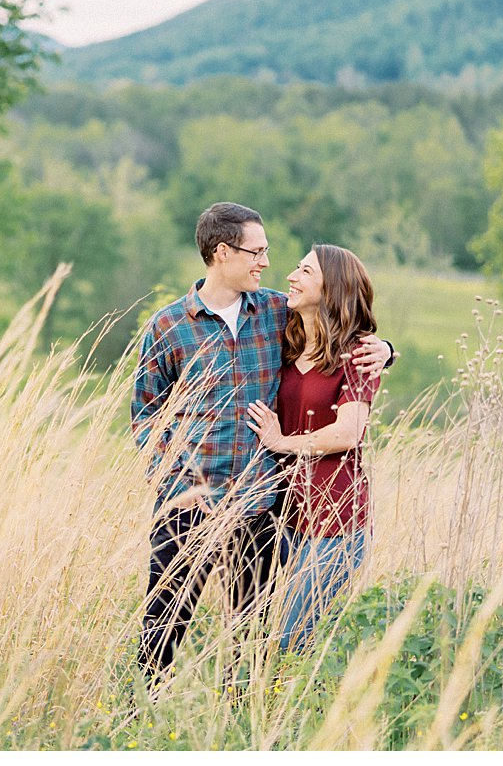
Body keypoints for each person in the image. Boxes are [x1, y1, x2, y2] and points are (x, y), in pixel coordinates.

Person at [130, 202, 394, 684]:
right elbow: (146, 419)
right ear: (222, 252)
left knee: (248, 637)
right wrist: (176, 488)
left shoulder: (276, 311)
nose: (266, 263)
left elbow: (340, 331)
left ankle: (238, 726)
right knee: (162, 628)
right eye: (257, 252)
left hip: (260, 507)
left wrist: (387, 350)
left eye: (268, 252)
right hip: (189, 506)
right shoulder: (169, 327)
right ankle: (136, 721)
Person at [247, 243, 378, 650]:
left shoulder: (357, 354)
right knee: (255, 632)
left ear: (331, 287)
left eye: (305, 271)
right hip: (281, 514)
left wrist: (281, 442)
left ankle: (295, 711)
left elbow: (347, 433)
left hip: (335, 519)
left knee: (292, 642)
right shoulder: (283, 343)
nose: (291, 276)